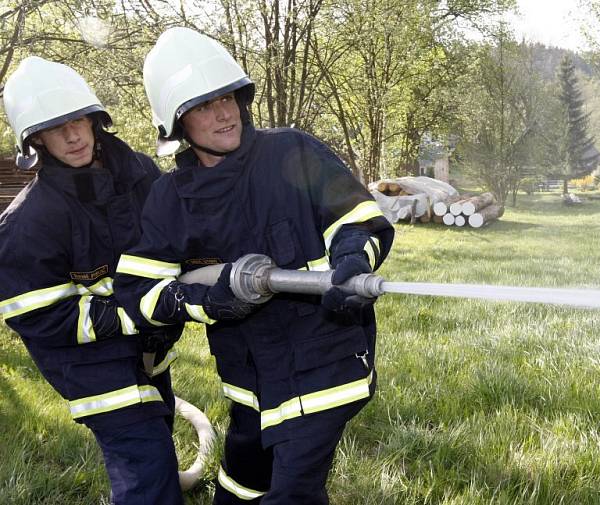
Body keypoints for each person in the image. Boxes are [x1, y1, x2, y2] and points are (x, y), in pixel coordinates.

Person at [113, 27, 394, 504]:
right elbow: (140, 293)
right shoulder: (171, 197)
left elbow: (359, 220)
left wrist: (351, 261)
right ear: (178, 125)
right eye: (202, 105)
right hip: (248, 377)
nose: (223, 112)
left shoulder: (293, 152)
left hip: (323, 368)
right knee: (243, 480)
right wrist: (212, 299)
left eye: (227, 97)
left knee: (292, 491)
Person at [0, 57, 183, 505]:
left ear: (95, 120)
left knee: (158, 429)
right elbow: (39, 317)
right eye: (55, 127)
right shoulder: (28, 222)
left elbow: (177, 236)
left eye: (78, 120)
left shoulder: (139, 173)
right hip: (87, 364)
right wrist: (135, 312)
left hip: (149, 346)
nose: (72, 135)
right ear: (35, 139)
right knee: (147, 464)